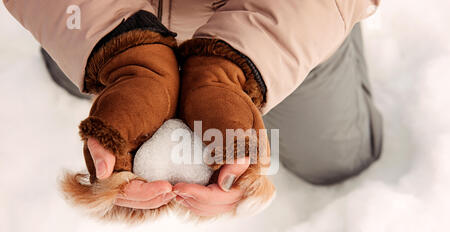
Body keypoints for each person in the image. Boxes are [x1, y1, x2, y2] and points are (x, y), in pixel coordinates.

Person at [3, 0, 382, 216]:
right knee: (70, 72)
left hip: (280, 22)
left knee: (337, 159)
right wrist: (120, 52)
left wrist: (229, 72)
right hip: (100, 16)